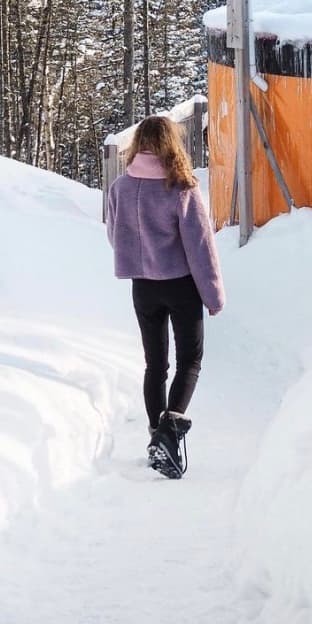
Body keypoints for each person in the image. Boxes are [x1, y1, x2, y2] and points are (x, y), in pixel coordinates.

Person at [106, 114, 225, 479]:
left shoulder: (120, 188)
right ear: (172, 144)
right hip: (180, 284)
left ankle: (155, 435)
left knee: (155, 365)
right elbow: (200, 247)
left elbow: (115, 235)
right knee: (190, 360)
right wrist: (213, 294)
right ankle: (169, 433)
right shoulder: (182, 188)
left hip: (143, 286)